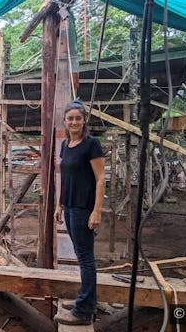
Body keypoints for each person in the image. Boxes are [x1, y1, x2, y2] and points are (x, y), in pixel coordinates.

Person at [53, 99, 106, 326]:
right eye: (70, 118)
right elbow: (66, 178)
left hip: (85, 209)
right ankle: (87, 301)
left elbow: (101, 178)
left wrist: (97, 211)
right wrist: (60, 204)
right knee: (82, 256)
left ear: (84, 120)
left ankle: (83, 310)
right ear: (65, 121)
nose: (74, 122)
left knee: (85, 259)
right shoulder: (66, 144)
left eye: (78, 118)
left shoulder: (91, 144)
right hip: (70, 207)